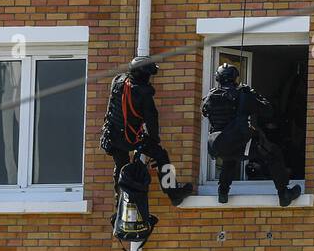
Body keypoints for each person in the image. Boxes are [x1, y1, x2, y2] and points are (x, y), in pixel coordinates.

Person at [202, 64, 302, 206]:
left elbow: (205, 112)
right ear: (235, 78)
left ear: (218, 78)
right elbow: (268, 111)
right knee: (273, 153)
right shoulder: (242, 95)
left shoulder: (210, 97)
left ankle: (223, 193)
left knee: (230, 158)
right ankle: (283, 193)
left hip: (219, 145)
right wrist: (253, 93)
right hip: (241, 143)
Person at [101, 58, 194, 207]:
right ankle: (173, 192)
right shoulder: (143, 93)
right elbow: (152, 120)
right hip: (130, 138)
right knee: (160, 155)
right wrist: (154, 140)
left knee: (120, 166)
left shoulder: (117, 81)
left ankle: (119, 204)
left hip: (111, 136)